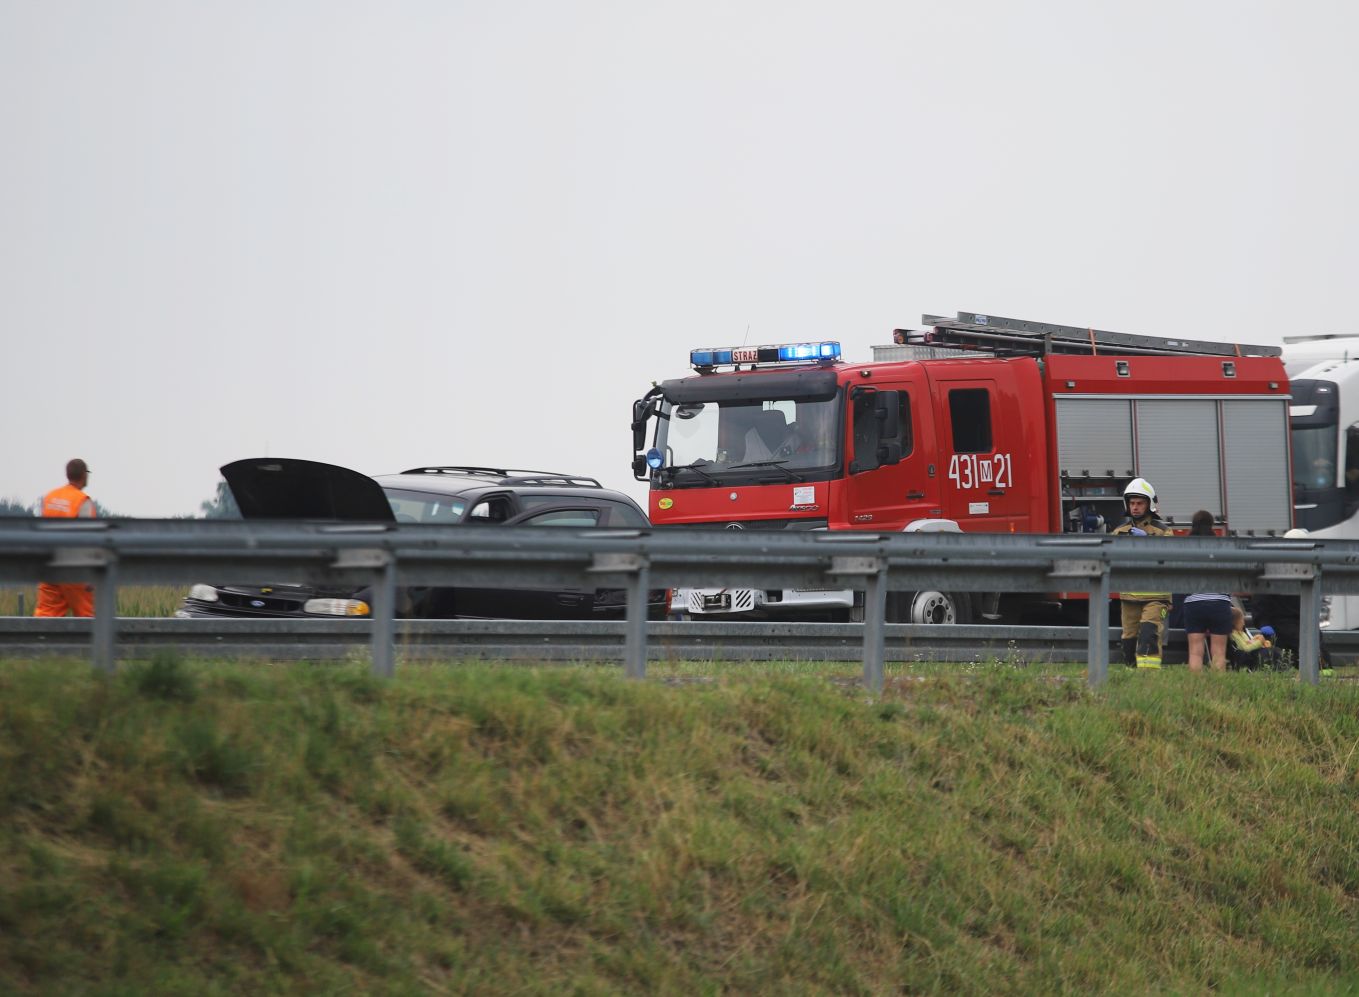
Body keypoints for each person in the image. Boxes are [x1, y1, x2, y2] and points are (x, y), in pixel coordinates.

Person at [1244, 527, 1334, 676]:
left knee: (1317, 658)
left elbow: (1260, 599)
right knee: (1309, 657)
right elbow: (1262, 598)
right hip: (1285, 626)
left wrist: (1263, 621)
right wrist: (1264, 623)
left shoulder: (1302, 568)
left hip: (1297, 625)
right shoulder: (1283, 568)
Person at [1108, 477, 1174, 668]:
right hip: (1129, 595)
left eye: (1140, 503)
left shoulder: (1163, 532)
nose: (1135, 507)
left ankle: (1149, 678)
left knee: (1149, 635)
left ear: (1149, 505)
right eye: (1132, 503)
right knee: (1129, 641)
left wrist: (1148, 541)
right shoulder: (1119, 532)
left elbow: (1170, 559)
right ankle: (1132, 679)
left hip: (1156, 596)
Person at [34, 458, 96, 618]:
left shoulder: (50, 498)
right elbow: (88, 538)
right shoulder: (83, 502)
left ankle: (38, 642)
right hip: (75, 570)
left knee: (46, 618)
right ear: (84, 475)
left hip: (49, 566)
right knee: (89, 618)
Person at [1227, 606, 1280, 671]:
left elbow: (1249, 642)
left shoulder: (1242, 633)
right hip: (1246, 656)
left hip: (1251, 653)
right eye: (1241, 620)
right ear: (1234, 622)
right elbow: (1245, 648)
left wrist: (1256, 639)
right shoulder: (1234, 635)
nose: (1243, 623)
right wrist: (1259, 642)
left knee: (1274, 650)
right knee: (1269, 653)